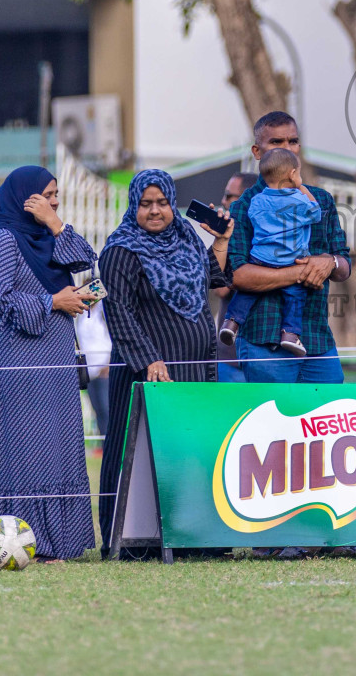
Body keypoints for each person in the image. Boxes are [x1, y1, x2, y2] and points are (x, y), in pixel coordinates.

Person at [97, 170, 231, 554]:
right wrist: (149, 359)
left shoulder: (187, 238)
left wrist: (220, 239)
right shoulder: (120, 250)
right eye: (145, 204)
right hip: (149, 373)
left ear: (172, 203)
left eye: (162, 203)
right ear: (133, 205)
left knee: (193, 453)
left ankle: (198, 540)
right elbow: (118, 311)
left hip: (194, 369)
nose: (155, 211)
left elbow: (214, 278)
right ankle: (128, 543)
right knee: (134, 452)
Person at [0, 166, 98, 561]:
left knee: (59, 447)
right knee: (26, 450)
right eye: (47, 194)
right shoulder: (4, 241)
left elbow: (87, 262)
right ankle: (24, 538)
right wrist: (52, 302)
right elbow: (1, 299)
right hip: (20, 359)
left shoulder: (49, 236)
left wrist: (56, 223)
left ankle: (62, 541)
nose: (54, 200)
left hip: (57, 356)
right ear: (25, 197)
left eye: (56, 194)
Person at [226, 112, 352, 385]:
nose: (287, 148)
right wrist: (302, 272)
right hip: (264, 341)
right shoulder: (244, 204)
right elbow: (237, 275)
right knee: (273, 427)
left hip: (317, 338)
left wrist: (330, 262)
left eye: (293, 141)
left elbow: (344, 265)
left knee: (327, 425)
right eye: (276, 142)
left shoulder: (319, 200)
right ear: (257, 152)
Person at [219, 149, 316, 356]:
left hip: (260, 258)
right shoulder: (298, 201)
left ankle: (231, 322)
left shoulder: (256, 201)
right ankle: (290, 334)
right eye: (297, 173)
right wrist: (301, 187)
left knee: (248, 292)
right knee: (295, 296)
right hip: (290, 260)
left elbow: (254, 218)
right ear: (292, 174)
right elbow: (315, 212)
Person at [213, 172, 258, 383]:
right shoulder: (228, 237)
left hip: (262, 351)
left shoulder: (265, 234)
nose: (223, 201)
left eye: (229, 196)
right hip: (229, 356)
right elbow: (220, 287)